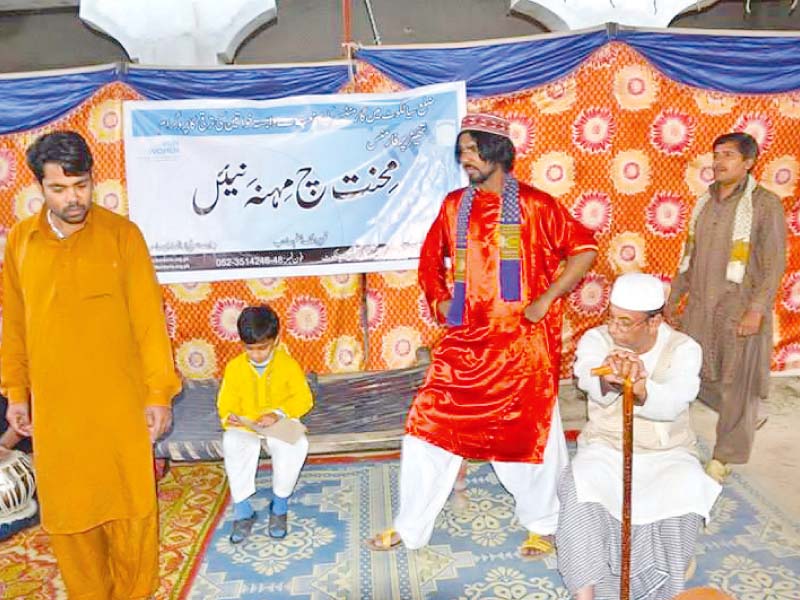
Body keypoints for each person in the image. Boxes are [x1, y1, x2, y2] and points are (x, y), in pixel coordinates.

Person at [365, 113, 598, 556]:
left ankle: (542, 522)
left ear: (496, 152)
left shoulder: (536, 205)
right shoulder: (455, 205)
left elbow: (584, 249)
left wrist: (547, 299)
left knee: (530, 434)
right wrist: (440, 303)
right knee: (425, 428)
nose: (465, 160)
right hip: (465, 344)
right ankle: (411, 527)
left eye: (472, 150)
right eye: (462, 153)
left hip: (522, 347)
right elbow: (430, 261)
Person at [1, 131, 181, 598]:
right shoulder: (21, 243)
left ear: (92, 179)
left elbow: (148, 324)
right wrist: (16, 393)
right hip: (58, 416)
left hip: (120, 411)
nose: (73, 198)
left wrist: (158, 394)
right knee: (70, 521)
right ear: (39, 187)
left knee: (132, 519)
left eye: (80, 185)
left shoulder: (123, 236)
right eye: (59, 189)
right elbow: (14, 326)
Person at [557, 272, 721, 600]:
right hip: (607, 446)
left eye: (624, 322)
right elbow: (588, 376)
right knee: (579, 486)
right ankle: (585, 593)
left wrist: (642, 389)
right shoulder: (597, 340)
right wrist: (610, 378)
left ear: (654, 322)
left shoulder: (684, 348)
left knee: (688, 486)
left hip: (668, 452)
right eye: (611, 318)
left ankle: (666, 585)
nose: (614, 329)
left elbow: (676, 402)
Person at [667, 132, 786, 483]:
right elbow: (690, 257)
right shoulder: (705, 202)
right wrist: (674, 298)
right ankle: (748, 417)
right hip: (702, 309)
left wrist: (757, 309)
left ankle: (725, 457)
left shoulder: (765, 205)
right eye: (716, 154)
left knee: (739, 386)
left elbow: (774, 263)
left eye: (729, 155)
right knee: (697, 376)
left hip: (740, 310)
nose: (719, 162)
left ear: (749, 163)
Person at [217, 305, 313, 543]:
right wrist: (229, 416)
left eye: (263, 348)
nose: (257, 354)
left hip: (278, 422)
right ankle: (243, 510)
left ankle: (279, 505)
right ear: (242, 345)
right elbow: (225, 402)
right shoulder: (234, 368)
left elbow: (304, 398)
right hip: (246, 426)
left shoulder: (287, 364)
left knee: (296, 443)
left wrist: (278, 414)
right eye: (251, 349)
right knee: (232, 442)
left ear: (276, 341)